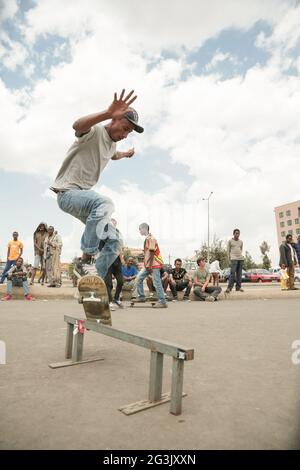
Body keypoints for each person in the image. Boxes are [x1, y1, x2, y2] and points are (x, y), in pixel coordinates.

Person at [50, 89, 143, 281]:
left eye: (129, 133)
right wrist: (107, 113)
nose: (125, 135)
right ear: (115, 120)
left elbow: (113, 155)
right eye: (125, 128)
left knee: (115, 241)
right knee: (105, 204)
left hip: (84, 201)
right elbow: (77, 126)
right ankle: (85, 260)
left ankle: (91, 281)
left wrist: (125, 154)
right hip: (68, 193)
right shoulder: (95, 131)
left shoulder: (113, 145)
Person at [135, 223, 168, 308]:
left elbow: (152, 252)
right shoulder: (147, 239)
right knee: (139, 278)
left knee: (156, 282)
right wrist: (147, 265)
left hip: (154, 264)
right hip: (148, 265)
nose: (139, 231)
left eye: (140, 229)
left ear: (144, 229)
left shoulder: (151, 238)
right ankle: (141, 297)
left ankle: (162, 302)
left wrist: (149, 265)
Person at [102, 219, 124, 310]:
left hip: (117, 262)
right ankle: (110, 302)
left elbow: (119, 246)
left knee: (120, 281)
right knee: (108, 283)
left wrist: (122, 259)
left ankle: (116, 299)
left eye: (114, 224)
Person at [225, 229, 244, 294]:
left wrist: (240, 256)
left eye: (238, 233)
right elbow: (228, 251)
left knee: (239, 274)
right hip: (233, 259)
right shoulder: (230, 241)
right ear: (233, 234)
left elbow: (241, 249)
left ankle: (238, 287)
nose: (237, 235)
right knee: (232, 274)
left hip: (240, 259)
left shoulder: (241, 242)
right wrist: (229, 259)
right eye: (236, 233)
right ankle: (229, 288)